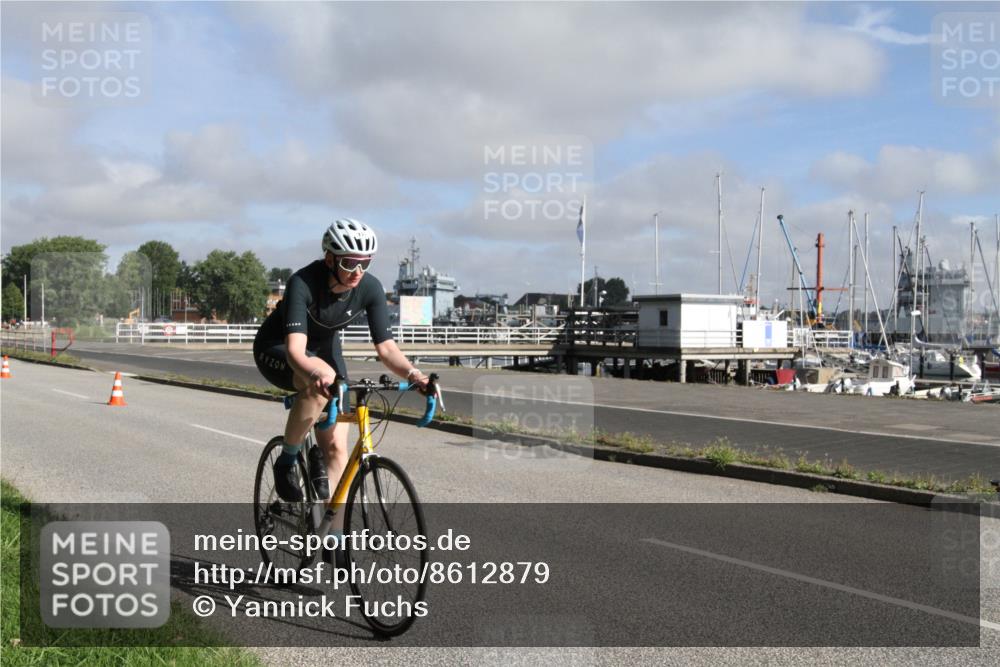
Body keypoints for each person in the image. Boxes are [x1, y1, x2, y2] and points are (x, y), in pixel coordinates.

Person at [254, 218, 430, 502]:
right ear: (330, 259)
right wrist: (316, 375)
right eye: (349, 263)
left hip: (325, 348)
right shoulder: (302, 282)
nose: (358, 271)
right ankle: (286, 461)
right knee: (323, 378)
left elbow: (387, 349)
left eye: (365, 263)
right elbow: (296, 351)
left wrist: (415, 375)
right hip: (278, 347)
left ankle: (331, 527)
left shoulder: (370, 288)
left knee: (337, 449)